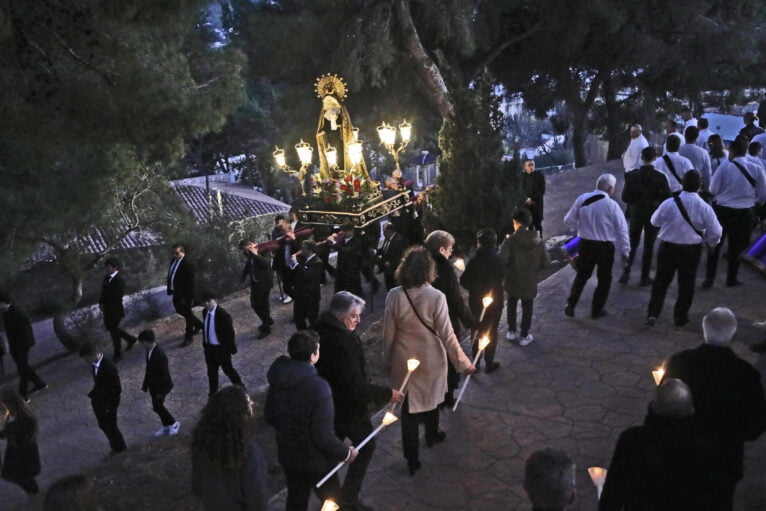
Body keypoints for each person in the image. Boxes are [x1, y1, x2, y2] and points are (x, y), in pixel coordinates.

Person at [383, 247, 475, 475]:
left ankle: (411, 458)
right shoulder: (436, 297)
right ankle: (433, 435)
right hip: (431, 359)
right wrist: (463, 363)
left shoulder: (394, 295)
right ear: (429, 270)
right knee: (433, 398)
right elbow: (448, 335)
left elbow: (388, 333)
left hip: (405, 361)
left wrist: (387, 360)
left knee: (409, 410)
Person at [663, 307, 766, 510]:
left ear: (704, 329)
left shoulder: (680, 362)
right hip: (723, 459)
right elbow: (757, 422)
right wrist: (736, 435)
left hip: (680, 453)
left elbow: (663, 405)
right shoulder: (746, 374)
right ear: (733, 332)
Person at [314, 292, 403, 510]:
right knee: (366, 445)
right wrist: (386, 394)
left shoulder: (320, 329)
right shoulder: (343, 342)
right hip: (347, 407)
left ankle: (330, 496)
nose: (358, 320)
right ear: (339, 315)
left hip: (327, 404)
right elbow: (353, 384)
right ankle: (347, 499)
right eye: (354, 316)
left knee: (329, 452)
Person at [264, 330, 359, 510]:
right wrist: (346, 452)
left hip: (289, 456)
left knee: (296, 499)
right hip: (317, 462)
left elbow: (269, 416)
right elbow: (323, 436)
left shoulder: (278, 379)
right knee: (332, 500)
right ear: (313, 355)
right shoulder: (318, 388)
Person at [599, 379, 720, 511]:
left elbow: (614, 492)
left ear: (653, 409)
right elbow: (710, 498)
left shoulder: (632, 440)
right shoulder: (704, 449)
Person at [646, 170, 721, 328]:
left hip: (667, 248)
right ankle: (680, 318)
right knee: (686, 285)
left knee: (661, 282)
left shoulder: (669, 203)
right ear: (700, 186)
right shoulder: (705, 207)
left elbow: (654, 221)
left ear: (682, 183)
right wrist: (710, 242)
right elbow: (716, 231)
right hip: (691, 251)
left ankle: (653, 314)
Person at [563, 174, 629, 319]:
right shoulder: (612, 206)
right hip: (604, 248)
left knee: (581, 276)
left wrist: (581, 226)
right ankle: (596, 310)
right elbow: (622, 231)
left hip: (585, 244)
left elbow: (568, 220)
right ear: (611, 188)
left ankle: (571, 304)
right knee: (604, 280)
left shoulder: (582, 198)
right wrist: (626, 252)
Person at [191, 386, 267, 511]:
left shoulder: (201, 445)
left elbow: (197, 487)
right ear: (240, 416)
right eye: (248, 403)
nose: (252, 404)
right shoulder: (248, 453)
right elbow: (257, 498)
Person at [705, 134, 766, 287]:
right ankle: (731, 278)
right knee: (736, 247)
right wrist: (752, 202)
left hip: (722, 210)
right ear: (746, 150)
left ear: (731, 151)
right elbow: (762, 194)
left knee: (716, 245)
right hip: (745, 213)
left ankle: (709, 279)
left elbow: (713, 189)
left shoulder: (724, 167)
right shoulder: (757, 168)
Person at [425, 230, 475, 406]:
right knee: (449, 358)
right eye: (449, 248)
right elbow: (455, 300)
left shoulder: (421, 265)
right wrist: (469, 321)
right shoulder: (445, 270)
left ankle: (436, 392)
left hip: (425, 322)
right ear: (441, 249)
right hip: (445, 321)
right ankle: (447, 396)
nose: (451, 252)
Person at [619, 146, 671, 286]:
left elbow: (624, 197)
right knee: (649, 245)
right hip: (653, 213)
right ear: (655, 158)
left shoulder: (632, 175)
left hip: (636, 213)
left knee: (632, 243)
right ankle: (644, 276)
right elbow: (668, 198)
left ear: (642, 158)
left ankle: (626, 273)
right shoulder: (661, 177)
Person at [499, 208, 549, 346]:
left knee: (511, 303)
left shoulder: (510, 241)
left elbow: (502, 259)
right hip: (530, 280)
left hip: (512, 279)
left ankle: (511, 331)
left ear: (517, 223)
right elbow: (546, 263)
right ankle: (524, 335)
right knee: (528, 307)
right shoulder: (538, 242)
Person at [460, 228, 505, 372]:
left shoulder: (474, 261)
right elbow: (501, 277)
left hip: (476, 302)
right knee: (491, 331)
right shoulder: (498, 260)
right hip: (495, 301)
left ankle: (476, 362)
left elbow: (464, 281)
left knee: (477, 329)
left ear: (479, 243)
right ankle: (489, 362)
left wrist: (475, 288)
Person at [79, 342, 126, 454]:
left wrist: (109, 407)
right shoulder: (95, 364)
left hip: (108, 404)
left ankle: (120, 449)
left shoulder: (108, 367)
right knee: (105, 426)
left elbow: (116, 389)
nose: (85, 361)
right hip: (101, 402)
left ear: (93, 354)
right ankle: (116, 447)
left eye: (86, 358)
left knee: (111, 427)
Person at [0, 292, 47, 402]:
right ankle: (39, 383)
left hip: (22, 345)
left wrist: (20, 347)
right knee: (24, 366)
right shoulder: (7, 312)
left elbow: (25, 331)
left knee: (22, 369)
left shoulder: (16, 312)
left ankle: (23, 394)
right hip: (16, 345)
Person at [201, 291, 244, 396]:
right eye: (204, 302)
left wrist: (230, 349)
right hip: (209, 349)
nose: (206, 304)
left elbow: (230, 334)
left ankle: (242, 390)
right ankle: (213, 395)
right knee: (212, 373)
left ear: (215, 300)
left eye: (208, 301)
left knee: (228, 370)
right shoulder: (204, 312)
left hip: (221, 350)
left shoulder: (223, 315)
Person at [138, 330, 179, 438]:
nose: (142, 345)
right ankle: (166, 425)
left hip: (161, 387)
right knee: (157, 407)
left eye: (142, 343)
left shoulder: (159, 354)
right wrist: (145, 385)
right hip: (153, 386)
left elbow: (164, 374)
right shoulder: (150, 351)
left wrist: (161, 392)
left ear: (147, 342)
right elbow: (149, 370)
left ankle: (173, 424)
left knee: (158, 406)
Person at [0, 389, 40, 495]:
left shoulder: (22, 421)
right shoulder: (24, 414)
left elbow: (8, 432)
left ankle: (33, 491)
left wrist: (7, 427)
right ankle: (32, 489)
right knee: (24, 477)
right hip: (24, 454)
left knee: (20, 477)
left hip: (22, 456)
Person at [98, 257, 136, 362]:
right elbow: (103, 291)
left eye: (108, 267)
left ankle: (118, 354)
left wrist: (106, 303)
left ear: (115, 268)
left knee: (114, 332)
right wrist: (101, 302)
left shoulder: (119, 280)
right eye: (106, 267)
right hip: (107, 309)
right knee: (110, 328)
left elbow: (117, 297)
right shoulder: (106, 278)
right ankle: (130, 339)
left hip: (115, 310)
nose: (106, 269)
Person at [167, 244, 204, 347]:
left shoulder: (188, 263)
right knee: (180, 310)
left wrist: (188, 297)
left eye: (177, 253)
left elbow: (191, 283)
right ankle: (199, 324)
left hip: (185, 294)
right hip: (176, 292)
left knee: (187, 314)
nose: (174, 255)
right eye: (173, 253)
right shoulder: (173, 261)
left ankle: (189, 337)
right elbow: (171, 274)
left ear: (182, 252)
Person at [239, 240, 274, 339]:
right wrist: (243, 276)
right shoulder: (249, 254)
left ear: (249, 245)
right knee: (254, 304)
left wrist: (255, 254)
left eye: (245, 249)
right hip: (255, 284)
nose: (245, 252)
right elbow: (248, 265)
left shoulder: (264, 250)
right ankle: (267, 320)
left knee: (264, 306)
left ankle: (266, 328)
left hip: (264, 283)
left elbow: (266, 263)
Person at [288, 240, 324, 330]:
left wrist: (296, 264)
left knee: (313, 320)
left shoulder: (317, 262)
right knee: (298, 319)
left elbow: (308, 276)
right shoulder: (302, 259)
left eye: (303, 249)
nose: (301, 250)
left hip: (311, 298)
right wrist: (293, 265)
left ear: (310, 250)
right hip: (300, 296)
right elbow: (296, 272)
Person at [328, 224, 364, 296]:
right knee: (339, 287)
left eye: (346, 231)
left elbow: (346, 251)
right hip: (341, 267)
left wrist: (334, 243)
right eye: (343, 231)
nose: (344, 233)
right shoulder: (343, 239)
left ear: (352, 231)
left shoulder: (356, 241)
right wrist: (333, 240)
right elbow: (338, 247)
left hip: (351, 269)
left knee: (352, 288)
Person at [679, 125, 712, 193]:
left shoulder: (678, 150)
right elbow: (707, 174)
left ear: (685, 136)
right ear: (697, 137)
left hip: (679, 187)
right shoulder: (703, 153)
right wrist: (706, 190)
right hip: (696, 188)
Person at [519, 158, 546, 237]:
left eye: (532, 165)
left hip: (537, 203)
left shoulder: (539, 175)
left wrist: (532, 198)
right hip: (526, 204)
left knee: (538, 224)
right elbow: (520, 190)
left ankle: (540, 241)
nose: (531, 167)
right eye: (529, 165)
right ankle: (532, 242)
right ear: (525, 166)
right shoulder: (522, 176)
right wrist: (526, 199)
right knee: (529, 224)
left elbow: (542, 190)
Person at [378, 222, 407, 291]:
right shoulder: (388, 237)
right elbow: (385, 248)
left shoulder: (398, 240)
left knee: (394, 287)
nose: (383, 233)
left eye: (384, 231)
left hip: (393, 269)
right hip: (387, 269)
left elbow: (400, 256)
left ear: (389, 231)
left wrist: (391, 263)